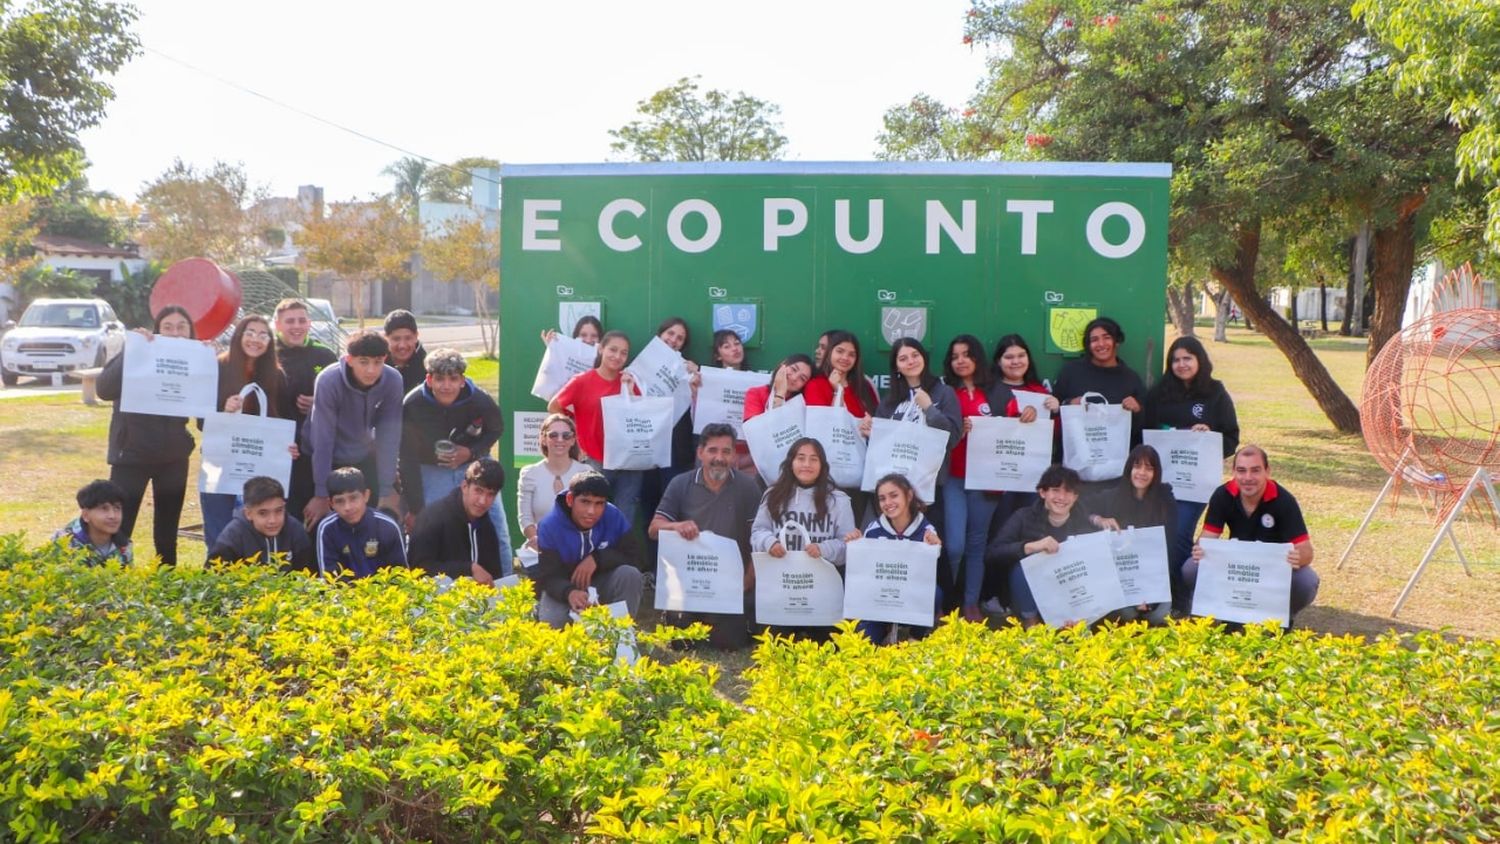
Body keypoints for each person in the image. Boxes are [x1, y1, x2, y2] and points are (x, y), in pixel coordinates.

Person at [94, 305, 199, 566]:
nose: (175, 333)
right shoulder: (136, 352)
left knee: (167, 530)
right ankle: (115, 579)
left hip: (173, 457)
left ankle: (167, 582)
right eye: (168, 327)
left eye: (182, 327)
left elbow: (205, 418)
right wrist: (132, 349)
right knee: (119, 525)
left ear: (191, 333)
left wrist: (213, 364)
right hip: (131, 455)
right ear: (157, 330)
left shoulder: (196, 360)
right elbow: (104, 389)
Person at [648, 423, 764, 649]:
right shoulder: (681, 484)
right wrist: (677, 526)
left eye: (726, 451)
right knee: (681, 642)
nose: (719, 458)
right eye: (712, 450)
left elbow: (758, 540)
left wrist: (747, 580)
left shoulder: (748, 487)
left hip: (731, 584)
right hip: (689, 583)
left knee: (730, 643)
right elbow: (654, 529)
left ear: (734, 456)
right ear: (700, 453)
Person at [1143, 335, 1241, 601]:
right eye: (1176, 360)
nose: (1182, 364)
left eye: (1187, 358)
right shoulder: (1159, 393)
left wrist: (1209, 436)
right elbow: (1145, 433)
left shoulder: (1215, 393)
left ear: (1200, 360)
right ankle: (1156, 595)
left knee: (1180, 534)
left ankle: (1178, 597)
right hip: (1160, 481)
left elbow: (1231, 438)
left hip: (1194, 484)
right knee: (1158, 535)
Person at [1184, 446, 1319, 623]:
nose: (1248, 478)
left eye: (1255, 471)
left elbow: (1307, 551)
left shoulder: (1284, 500)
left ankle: (1281, 617)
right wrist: (1201, 549)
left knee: (1306, 581)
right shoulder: (1222, 495)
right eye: (1241, 471)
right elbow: (1208, 536)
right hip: (1236, 567)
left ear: (1267, 471)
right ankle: (1220, 610)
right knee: (1191, 568)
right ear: (1233, 472)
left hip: (1272, 571)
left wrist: (1297, 558)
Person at [398, 347, 508, 563]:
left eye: (453, 378)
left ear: (462, 380)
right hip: (430, 467)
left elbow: (496, 429)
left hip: (475, 464)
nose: (446, 386)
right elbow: (407, 456)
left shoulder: (480, 399)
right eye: (439, 379)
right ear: (429, 379)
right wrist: (415, 506)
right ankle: (428, 588)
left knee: (497, 527)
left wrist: (471, 452)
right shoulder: (413, 404)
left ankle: (505, 587)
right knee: (427, 528)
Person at [200, 314, 293, 545]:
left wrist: (288, 446)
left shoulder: (276, 375)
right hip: (219, 461)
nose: (256, 339)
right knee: (218, 526)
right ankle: (218, 572)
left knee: (257, 524)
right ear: (238, 336)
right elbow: (201, 422)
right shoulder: (217, 367)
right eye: (249, 333)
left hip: (259, 463)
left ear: (270, 342)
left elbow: (284, 420)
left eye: (263, 335)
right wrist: (223, 410)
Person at [750, 438, 858, 637]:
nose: (807, 464)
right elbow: (757, 532)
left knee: (827, 648)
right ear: (791, 463)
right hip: (782, 587)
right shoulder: (773, 495)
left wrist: (824, 549)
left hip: (822, 590)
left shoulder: (838, 500)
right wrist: (769, 542)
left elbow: (848, 546)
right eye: (801, 458)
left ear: (822, 465)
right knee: (774, 647)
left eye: (813, 459)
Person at [302, 329, 405, 526]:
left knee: (375, 519)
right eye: (363, 362)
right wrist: (321, 493)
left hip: (361, 453)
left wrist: (386, 487)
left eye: (377, 362)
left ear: (385, 358)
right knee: (319, 520)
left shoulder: (393, 380)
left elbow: (389, 436)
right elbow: (323, 439)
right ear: (349, 359)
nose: (371, 370)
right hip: (321, 456)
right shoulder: (328, 380)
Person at [547, 330, 642, 523]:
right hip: (595, 459)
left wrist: (631, 391)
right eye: (613, 350)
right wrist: (575, 433)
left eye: (623, 353)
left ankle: (616, 554)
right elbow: (554, 406)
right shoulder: (582, 381)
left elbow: (640, 420)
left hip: (629, 462)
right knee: (590, 517)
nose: (617, 356)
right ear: (601, 349)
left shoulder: (629, 382)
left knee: (624, 519)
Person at [987, 465, 1100, 627]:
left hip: (1068, 597)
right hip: (1030, 597)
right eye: (1055, 490)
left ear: (1075, 497)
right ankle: (1031, 625)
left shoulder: (1083, 523)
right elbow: (992, 553)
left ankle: (1078, 622)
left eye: (1068, 492)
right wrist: (1030, 547)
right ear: (1042, 492)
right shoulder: (1023, 517)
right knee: (1021, 567)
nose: (1061, 497)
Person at [533, 472, 646, 628]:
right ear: (570, 499)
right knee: (552, 621)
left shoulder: (613, 516)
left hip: (602, 582)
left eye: (599, 503)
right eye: (585, 502)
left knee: (630, 575)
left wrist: (598, 559)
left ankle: (621, 635)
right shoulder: (549, 526)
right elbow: (547, 576)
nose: (591, 511)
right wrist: (569, 592)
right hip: (563, 585)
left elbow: (635, 558)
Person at [941, 335, 1000, 622]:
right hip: (953, 476)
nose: (961, 360)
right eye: (955, 356)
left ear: (977, 357)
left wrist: (1027, 415)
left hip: (986, 478)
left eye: (966, 354)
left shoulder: (997, 392)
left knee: (977, 544)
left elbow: (1015, 428)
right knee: (954, 544)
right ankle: (949, 598)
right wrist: (957, 432)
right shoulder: (945, 392)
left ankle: (971, 602)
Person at [844, 473, 942, 644]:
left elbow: (928, 568)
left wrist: (935, 546)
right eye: (882, 498)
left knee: (935, 593)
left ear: (909, 495)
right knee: (865, 644)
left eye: (894, 495)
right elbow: (866, 571)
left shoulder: (926, 529)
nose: (888, 503)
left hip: (910, 598)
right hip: (879, 600)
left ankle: (915, 634)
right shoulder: (873, 530)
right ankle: (885, 629)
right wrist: (857, 544)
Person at [1089, 445, 1177, 624]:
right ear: (1129, 468)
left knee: (1158, 614)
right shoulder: (1112, 495)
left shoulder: (1165, 499)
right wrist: (1099, 519)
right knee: (1127, 613)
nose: (1142, 473)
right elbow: (1082, 510)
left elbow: (1168, 549)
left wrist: (1147, 595)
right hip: (1120, 576)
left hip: (1154, 575)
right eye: (1137, 466)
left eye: (1149, 468)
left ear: (1156, 473)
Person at [274, 298, 339, 523]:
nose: (296, 326)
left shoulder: (326, 356)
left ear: (309, 323)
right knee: (283, 510)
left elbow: (343, 399)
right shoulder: (268, 355)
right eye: (289, 321)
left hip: (316, 449)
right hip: (280, 447)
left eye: (302, 320)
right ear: (277, 325)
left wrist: (319, 403)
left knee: (315, 510)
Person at [1052, 316, 1146, 457]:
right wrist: (1069, 403)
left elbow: (1142, 428)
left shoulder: (1131, 378)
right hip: (1075, 461)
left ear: (1117, 341)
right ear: (1088, 345)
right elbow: (1053, 409)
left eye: (1106, 337)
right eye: (1094, 340)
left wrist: (1137, 410)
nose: (1101, 344)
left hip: (1114, 463)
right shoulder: (1071, 372)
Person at [408, 457, 511, 582]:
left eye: (491, 494)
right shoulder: (431, 518)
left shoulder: (486, 525)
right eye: (478, 491)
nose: (482, 501)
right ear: (464, 486)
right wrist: (468, 569)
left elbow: (494, 575)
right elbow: (419, 570)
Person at [517, 414, 592, 558]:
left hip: (578, 549)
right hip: (541, 548)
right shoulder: (529, 473)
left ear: (573, 440)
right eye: (553, 435)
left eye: (566, 435)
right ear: (543, 439)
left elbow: (592, 516)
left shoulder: (585, 472)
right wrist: (538, 541)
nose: (560, 440)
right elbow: (525, 518)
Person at [314, 467, 408, 578]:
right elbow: (330, 578)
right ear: (331, 504)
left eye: (353, 498)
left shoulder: (387, 526)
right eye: (339, 501)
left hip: (383, 593)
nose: (347, 507)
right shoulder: (327, 528)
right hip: (343, 594)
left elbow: (400, 575)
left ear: (366, 496)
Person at [206, 476, 314, 572]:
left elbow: (308, 575)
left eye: (279, 510)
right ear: (248, 513)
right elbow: (212, 579)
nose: (273, 520)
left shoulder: (295, 530)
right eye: (263, 513)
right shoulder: (233, 536)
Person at [52, 479, 132, 566]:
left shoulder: (124, 546)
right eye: (104, 508)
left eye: (117, 508)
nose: (112, 516)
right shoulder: (64, 543)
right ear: (86, 515)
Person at [802, 330, 878, 420]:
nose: (845, 358)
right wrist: (838, 392)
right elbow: (821, 424)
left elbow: (876, 420)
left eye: (851, 354)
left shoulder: (865, 385)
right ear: (829, 353)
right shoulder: (815, 385)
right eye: (840, 351)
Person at [742, 353, 813, 420]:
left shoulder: (801, 405)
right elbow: (755, 429)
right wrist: (780, 393)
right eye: (793, 369)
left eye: (802, 378)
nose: (794, 378)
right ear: (783, 364)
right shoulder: (756, 393)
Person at [383, 309, 427, 395]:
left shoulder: (428, 368)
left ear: (416, 336)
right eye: (396, 339)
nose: (402, 345)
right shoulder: (375, 366)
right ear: (386, 338)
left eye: (408, 338)